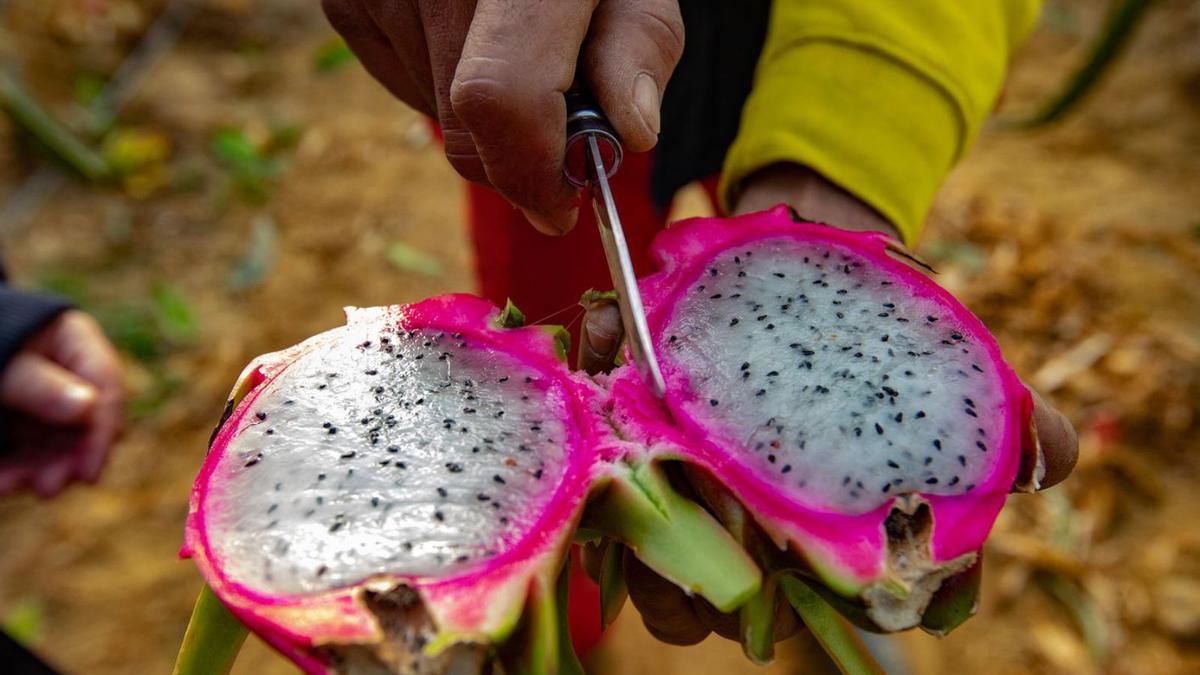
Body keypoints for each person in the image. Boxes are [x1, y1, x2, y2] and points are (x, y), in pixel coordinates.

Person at [322, 0, 1079, 650]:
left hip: (799, 59)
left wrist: (849, 149)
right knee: (550, 335)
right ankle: (553, 619)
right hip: (538, 85)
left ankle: (802, 574)